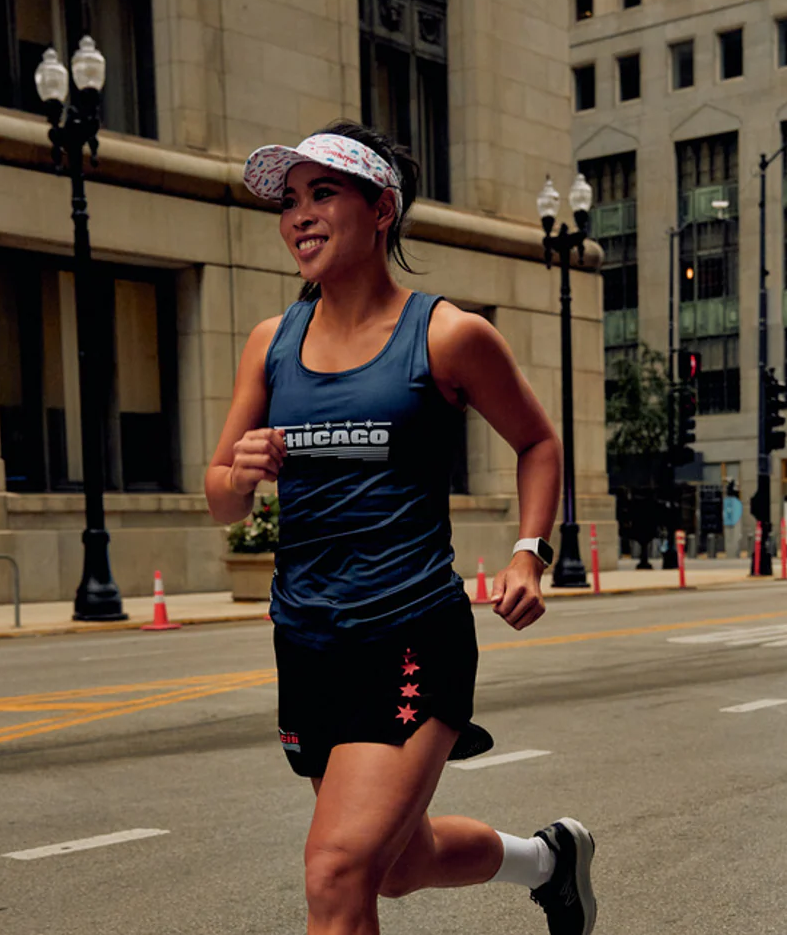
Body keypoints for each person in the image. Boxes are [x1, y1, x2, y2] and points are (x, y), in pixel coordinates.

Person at [205, 120, 596, 935]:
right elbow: (220, 499)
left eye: (323, 193)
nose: (299, 216)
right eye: (289, 200)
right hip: (306, 636)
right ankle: (550, 862)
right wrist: (239, 474)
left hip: (411, 628)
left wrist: (529, 552)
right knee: (393, 867)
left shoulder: (448, 335)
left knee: (337, 871)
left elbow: (537, 441)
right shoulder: (269, 346)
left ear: (381, 208)